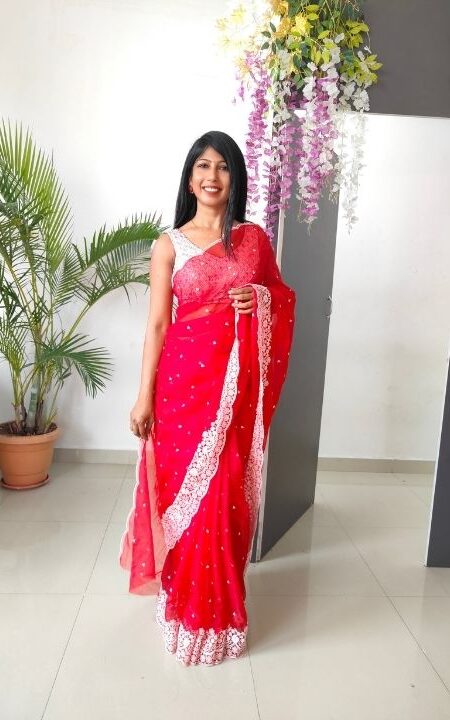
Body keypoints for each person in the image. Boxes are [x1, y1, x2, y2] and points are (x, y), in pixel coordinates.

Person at [119, 130, 296, 667]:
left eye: (222, 166)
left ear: (235, 176)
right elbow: (156, 325)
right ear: (190, 176)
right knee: (189, 501)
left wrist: (258, 297)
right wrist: (143, 396)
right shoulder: (168, 243)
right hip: (181, 390)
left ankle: (217, 616)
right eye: (202, 165)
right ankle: (184, 602)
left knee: (223, 497)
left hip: (235, 389)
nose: (212, 176)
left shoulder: (254, 240)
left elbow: (283, 299)